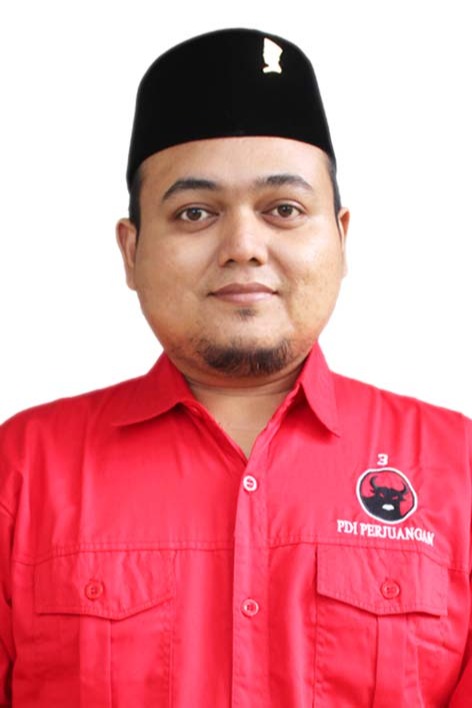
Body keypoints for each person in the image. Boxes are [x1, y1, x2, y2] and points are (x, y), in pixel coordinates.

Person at [0, 27, 470, 707]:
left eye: (284, 209)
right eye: (195, 212)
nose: (243, 246)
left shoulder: (458, 469)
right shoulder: (22, 472)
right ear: (131, 251)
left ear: (341, 238)